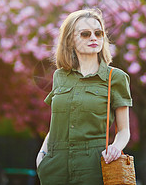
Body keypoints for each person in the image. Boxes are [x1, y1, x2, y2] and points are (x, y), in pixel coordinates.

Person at [36, 9, 133, 185]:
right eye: (85, 34)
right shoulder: (60, 76)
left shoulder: (116, 78)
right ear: (70, 40)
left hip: (94, 167)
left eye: (98, 33)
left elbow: (124, 130)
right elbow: (56, 124)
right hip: (55, 167)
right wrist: (41, 157)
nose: (94, 38)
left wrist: (116, 148)